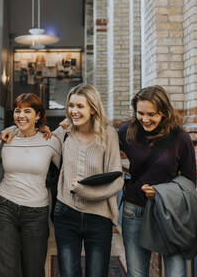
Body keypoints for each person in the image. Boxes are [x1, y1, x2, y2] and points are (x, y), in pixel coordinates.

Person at [118, 85, 197, 277]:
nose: (145, 119)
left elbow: (190, 183)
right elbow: (99, 144)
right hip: (134, 209)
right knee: (137, 273)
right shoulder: (127, 131)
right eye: (140, 113)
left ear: (164, 112)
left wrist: (161, 192)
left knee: (176, 272)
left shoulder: (180, 138)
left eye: (151, 114)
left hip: (169, 211)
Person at [53, 84, 123, 277]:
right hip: (66, 213)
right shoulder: (65, 133)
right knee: (68, 273)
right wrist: (12, 131)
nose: (74, 111)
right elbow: (38, 140)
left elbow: (117, 180)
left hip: (99, 216)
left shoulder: (108, 134)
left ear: (92, 108)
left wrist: (86, 192)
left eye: (80, 106)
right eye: (71, 106)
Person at [0, 93, 61, 277]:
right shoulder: (6, 138)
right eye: (17, 110)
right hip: (3, 208)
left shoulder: (50, 141)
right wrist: (13, 128)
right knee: (5, 271)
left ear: (38, 115)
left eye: (27, 111)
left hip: (36, 213)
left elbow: (65, 171)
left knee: (34, 270)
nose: (21, 115)